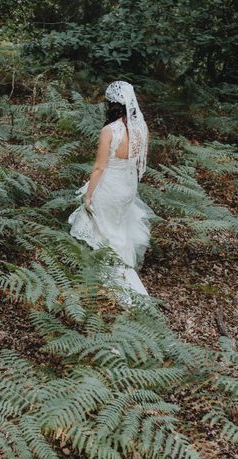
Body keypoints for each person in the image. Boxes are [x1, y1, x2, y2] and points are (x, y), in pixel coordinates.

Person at [68, 80, 153, 297]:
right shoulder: (141, 130)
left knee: (103, 232)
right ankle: (118, 275)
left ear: (112, 104)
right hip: (128, 188)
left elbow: (99, 167)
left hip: (110, 187)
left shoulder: (110, 131)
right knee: (118, 230)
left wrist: (88, 196)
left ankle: (113, 283)